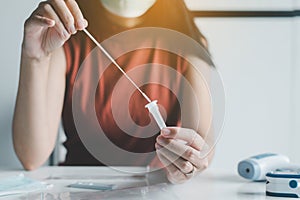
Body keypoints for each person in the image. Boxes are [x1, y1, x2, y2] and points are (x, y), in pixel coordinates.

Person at [13, 0, 213, 184]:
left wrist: (190, 161)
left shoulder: (185, 44)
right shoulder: (63, 37)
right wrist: (34, 58)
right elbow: (32, 157)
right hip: (78, 189)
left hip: (157, 187)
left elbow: (203, 146)